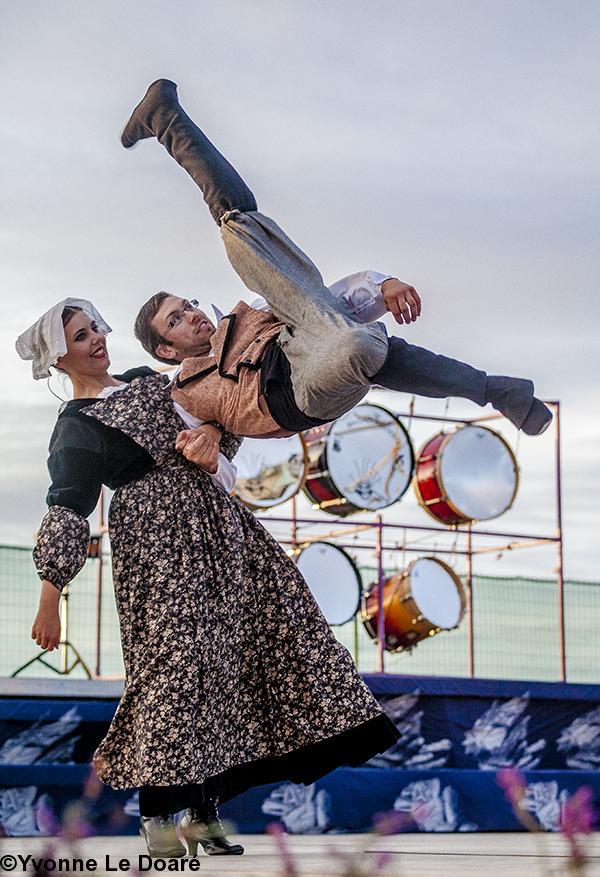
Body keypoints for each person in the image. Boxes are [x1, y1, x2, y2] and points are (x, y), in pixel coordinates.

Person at [16, 300, 399, 858]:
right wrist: (50, 594)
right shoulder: (76, 424)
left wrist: (217, 435)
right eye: (80, 336)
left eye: (96, 326)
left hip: (222, 529)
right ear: (60, 357)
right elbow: (69, 507)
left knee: (237, 656)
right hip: (157, 546)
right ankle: (158, 812)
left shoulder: (153, 381)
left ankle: (204, 811)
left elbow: (222, 416)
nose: (96, 338)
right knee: (175, 670)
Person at [122, 79, 552, 448]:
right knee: (354, 344)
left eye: (187, 305)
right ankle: (167, 122)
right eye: (176, 319)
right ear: (165, 348)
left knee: (263, 252)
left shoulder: (248, 316)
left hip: (308, 341)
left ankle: (499, 391)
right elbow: (133, 408)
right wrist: (213, 435)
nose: (192, 315)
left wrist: (384, 285)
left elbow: (318, 303)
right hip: (296, 393)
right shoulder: (182, 393)